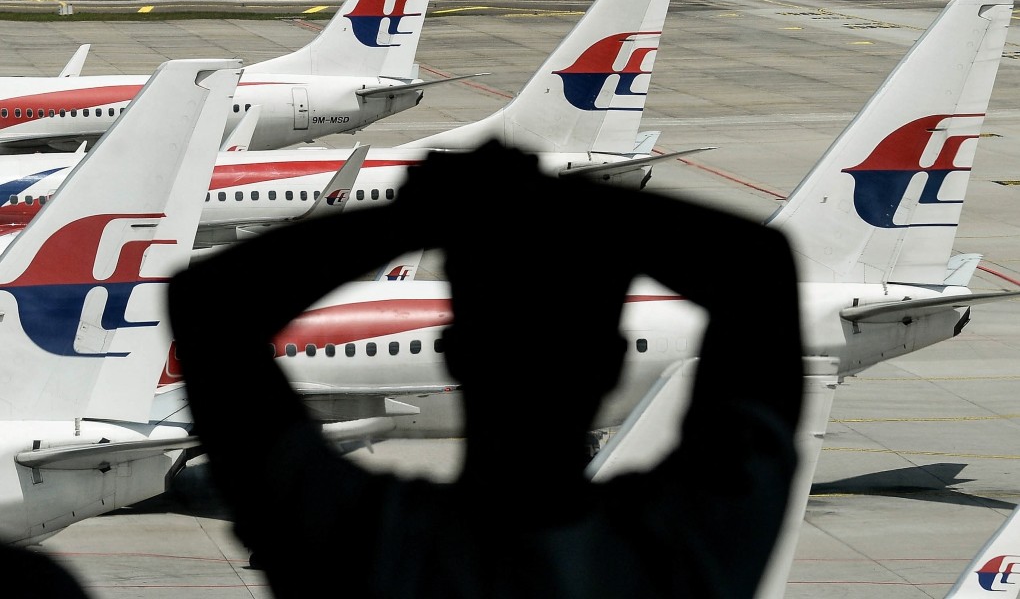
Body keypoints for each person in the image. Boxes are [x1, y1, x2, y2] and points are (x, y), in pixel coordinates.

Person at [167, 140, 806, 598]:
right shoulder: (680, 556)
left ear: (454, 352)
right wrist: (574, 201)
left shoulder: (367, 547)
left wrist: (422, 215)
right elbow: (761, 272)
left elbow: (212, 306)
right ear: (610, 365)